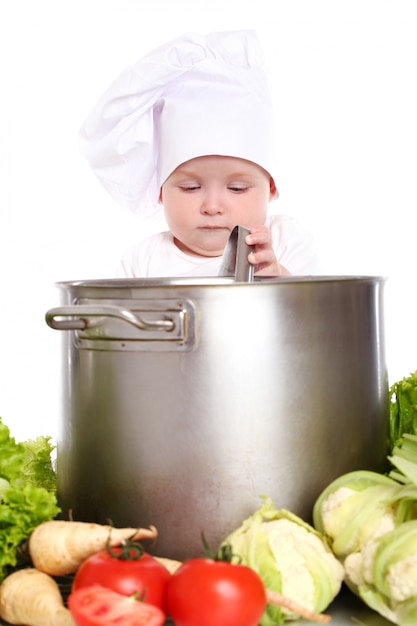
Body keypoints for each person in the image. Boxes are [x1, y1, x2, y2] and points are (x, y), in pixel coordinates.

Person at [79, 30, 320, 277]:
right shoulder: (143, 262)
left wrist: (279, 278)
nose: (212, 206)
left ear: (270, 188)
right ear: (160, 190)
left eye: (237, 188)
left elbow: (319, 310)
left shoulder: (284, 241)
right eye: (191, 188)